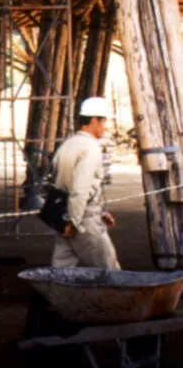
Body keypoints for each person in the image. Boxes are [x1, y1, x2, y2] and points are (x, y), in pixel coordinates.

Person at [50, 96, 120, 270]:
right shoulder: (91, 149)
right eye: (104, 122)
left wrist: (101, 210)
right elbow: (80, 189)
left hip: (61, 215)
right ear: (94, 120)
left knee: (62, 272)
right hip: (82, 221)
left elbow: (58, 184)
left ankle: (60, 297)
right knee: (110, 272)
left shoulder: (67, 145)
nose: (105, 127)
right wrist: (73, 222)